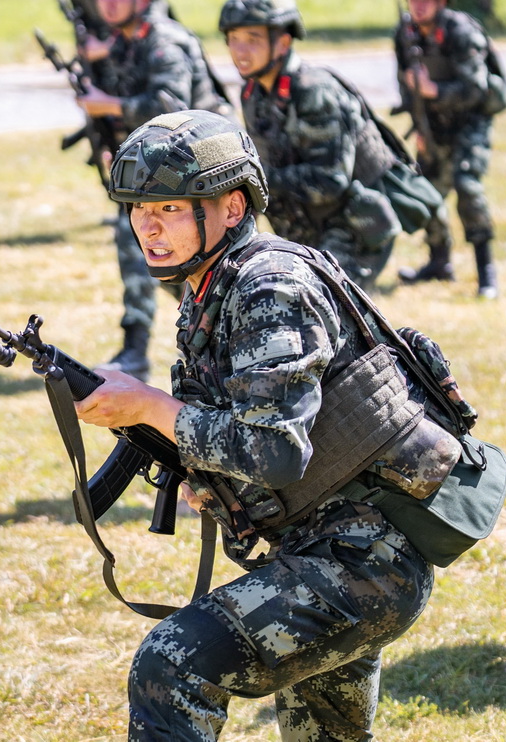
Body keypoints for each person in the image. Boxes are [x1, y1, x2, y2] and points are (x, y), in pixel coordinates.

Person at [74, 109, 442, 740]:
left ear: (232, 207)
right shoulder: (213, 284)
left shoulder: (269, 288)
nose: (148, 227)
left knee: (172, 665)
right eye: (138, 209)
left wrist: (151, 407)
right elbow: (252, 429)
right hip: (339, 553)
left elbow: (275, 452)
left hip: (361, 564)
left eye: (168, 207)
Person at [219, 0, 447, 291]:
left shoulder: (315, 91)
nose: (240, 51)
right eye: (234, 40)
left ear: (283, 43)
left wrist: (255, 179)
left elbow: (330, 181)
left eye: (253, 39)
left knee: (321, 304)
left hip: (352, 226)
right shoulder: (254, 93)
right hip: (303, 224)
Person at [74, 0, 234, 382]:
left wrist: (109, 105)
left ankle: (216, 334)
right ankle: (140, 346)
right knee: (150, 253)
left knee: (205, 267)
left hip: (202, 174)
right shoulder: (121, 42)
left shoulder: (164, 40)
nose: (108, 5)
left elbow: (170, 104)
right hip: (163, 172)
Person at [394, 0, 506, 298]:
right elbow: (406, 85)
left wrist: (435, 90)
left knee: (467, 186)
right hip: (434, 123)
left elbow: (476, 89)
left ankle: (486, 273)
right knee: (427, 190)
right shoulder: (404, 33)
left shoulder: (461, 32)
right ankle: (438, 262)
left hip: (471, 120)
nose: (418, 5)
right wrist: (418, 125)